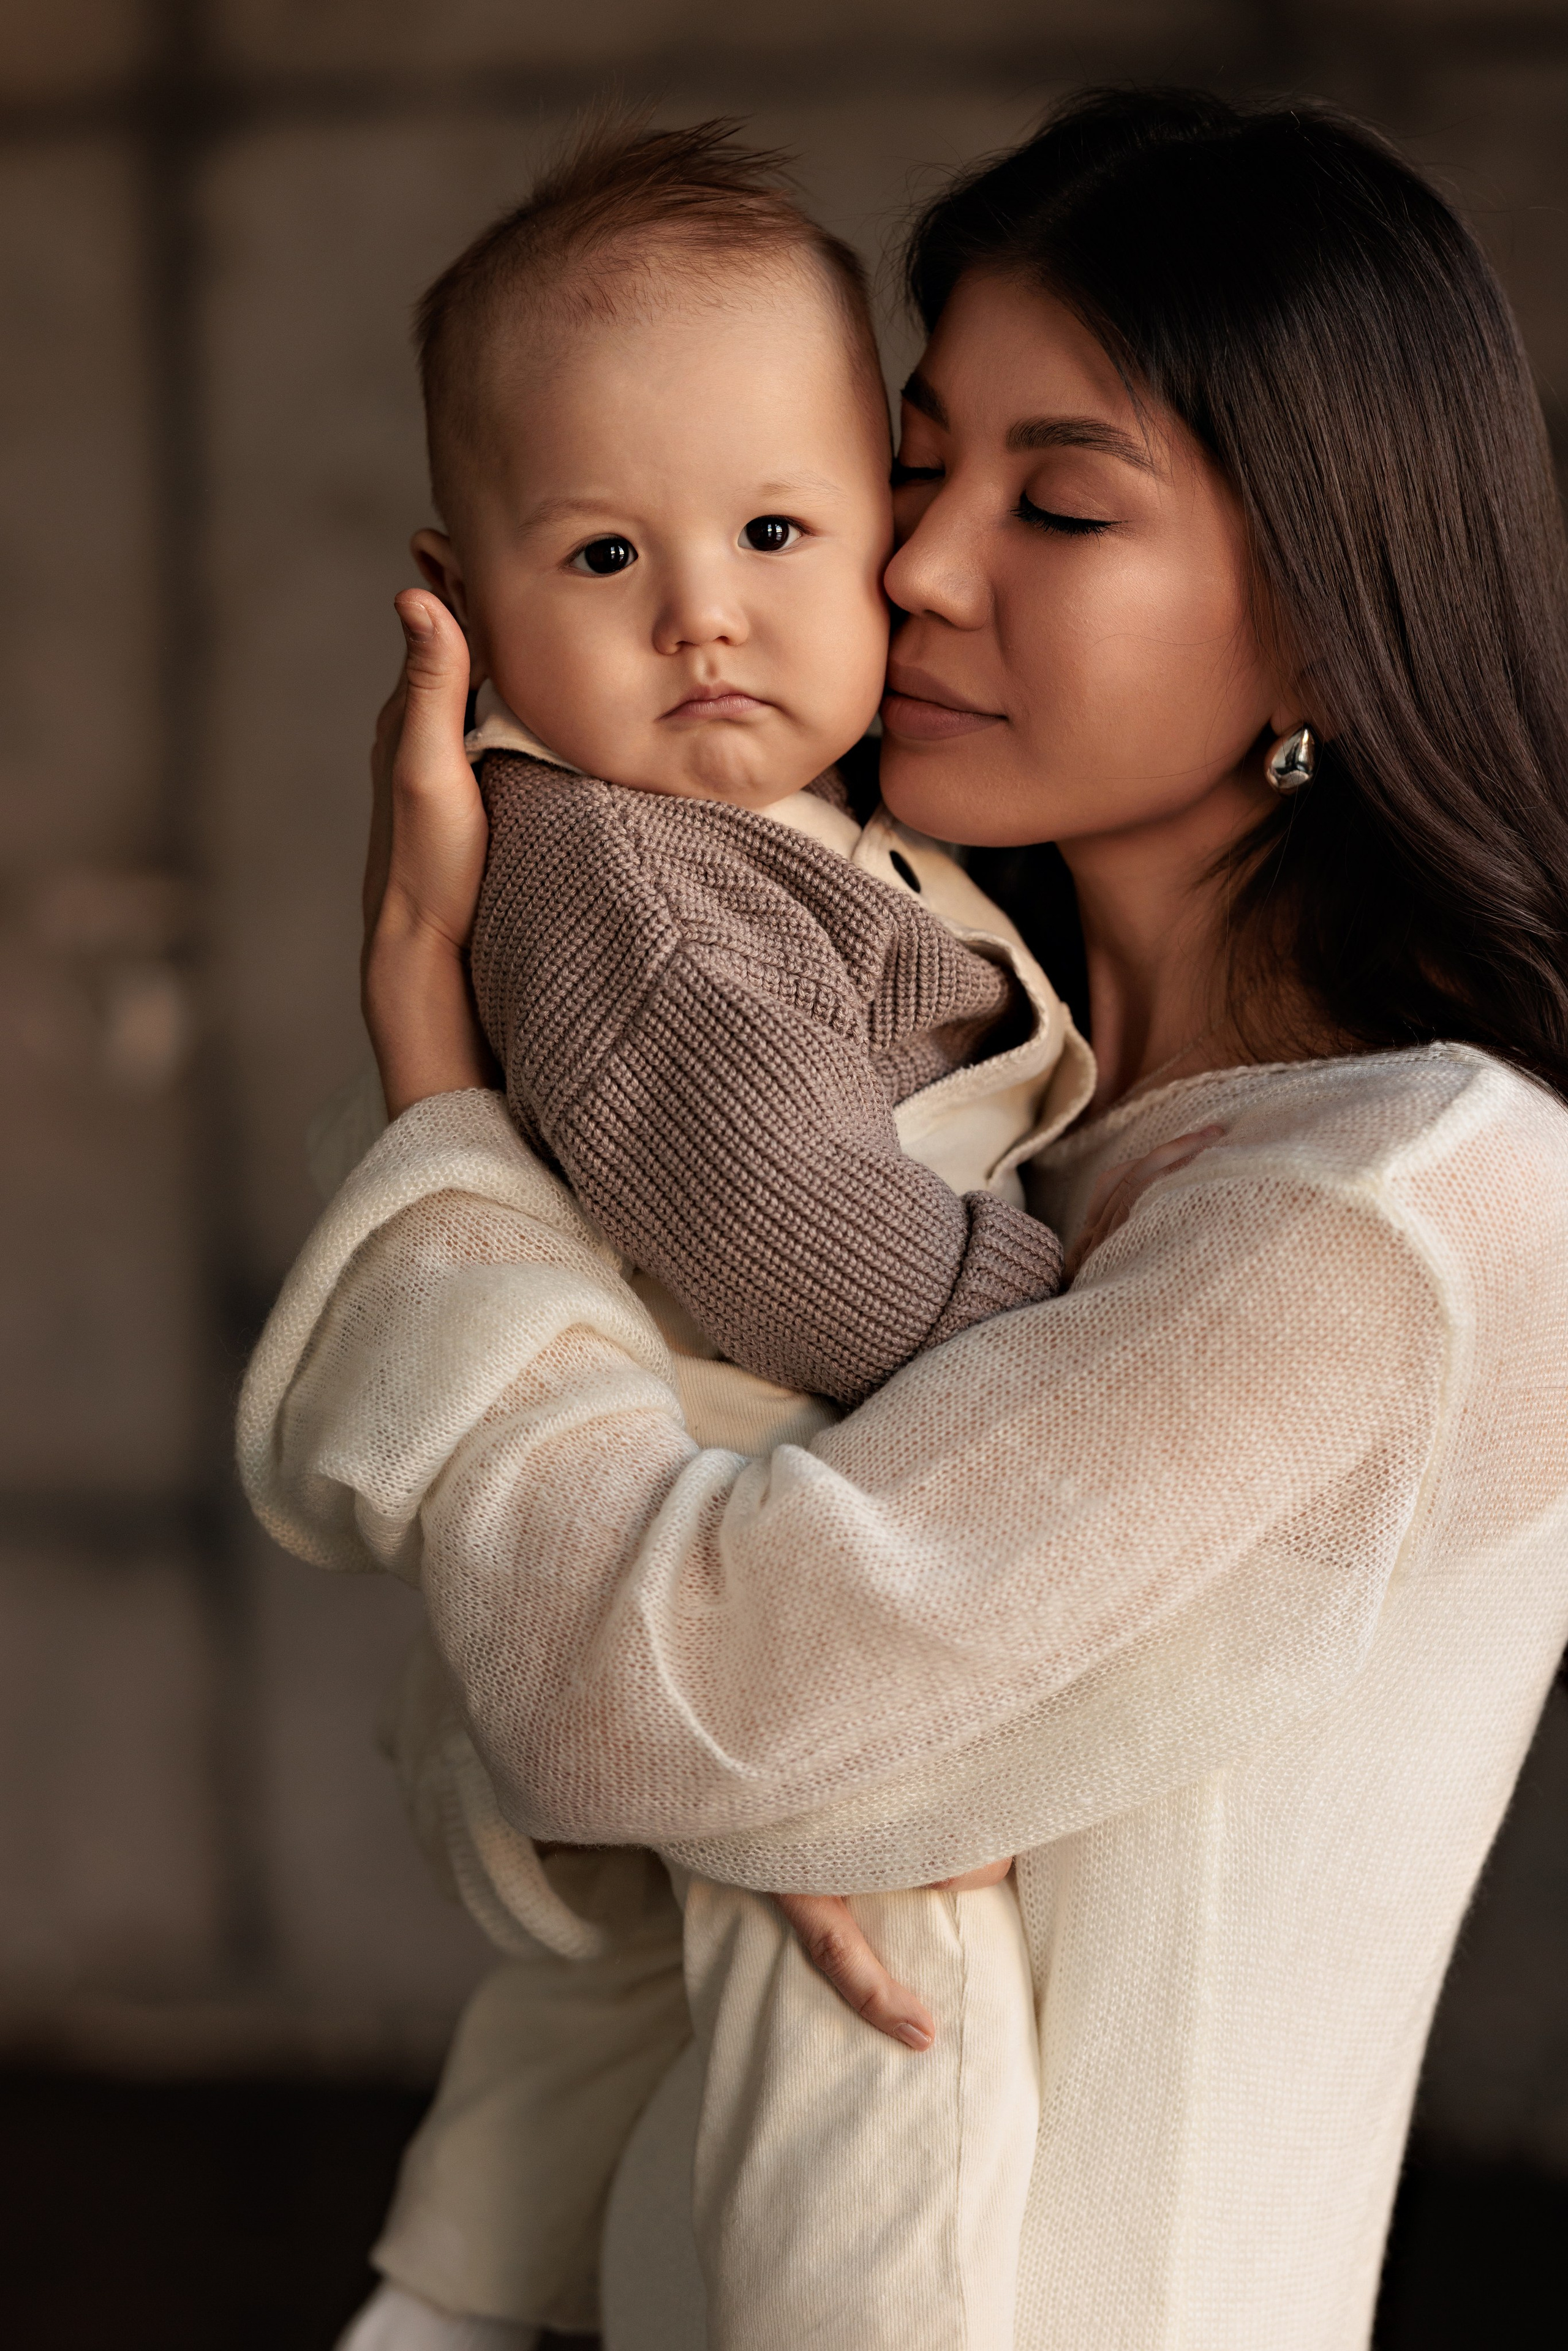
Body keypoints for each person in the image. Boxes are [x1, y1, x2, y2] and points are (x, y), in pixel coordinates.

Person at [243, 87, 1568, 2351]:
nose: (921, 570)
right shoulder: (976, 1097)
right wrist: (704, 1775)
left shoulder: (1408, 1210)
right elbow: (516, 1782)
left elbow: (614, 1692)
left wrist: (439, 1095)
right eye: (919, 470)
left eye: (1057, 501)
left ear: (1336, 626)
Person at [312, 116, 1103, 2351]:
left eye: (774, 528)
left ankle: (450, 2299)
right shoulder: (611, 874)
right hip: (731, 1511)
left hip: (724, 1509)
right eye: (598, 556)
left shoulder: (820, 841)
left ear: (887, 543)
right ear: (458, 598)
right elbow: (800, 1241)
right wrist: (1079, 1308)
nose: (703, 612)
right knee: (880, 2022)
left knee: (613, 2032)